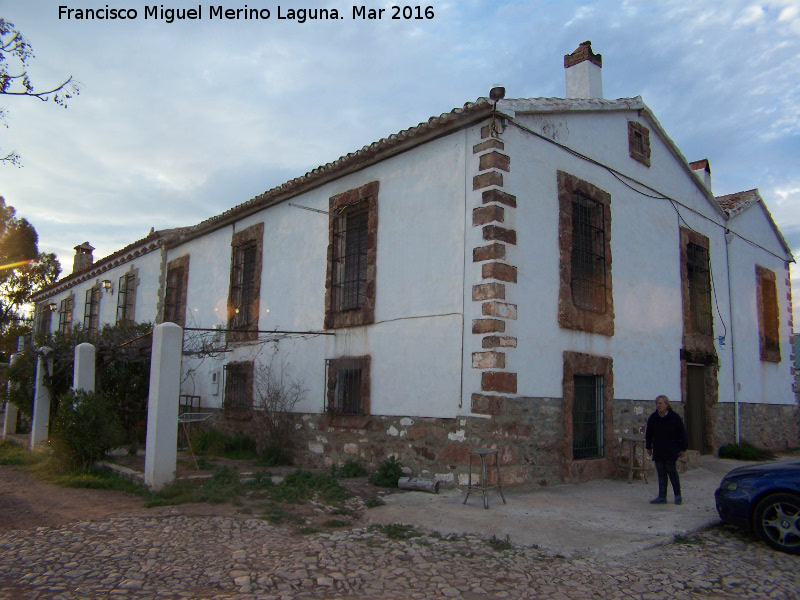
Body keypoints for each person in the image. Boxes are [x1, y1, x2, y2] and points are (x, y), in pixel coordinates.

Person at [645, 394, 687, 505]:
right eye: (657, 403)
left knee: (672, 472)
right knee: (661, 474)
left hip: (671, 450)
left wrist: (683, 448)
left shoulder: (674, 417)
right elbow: (649, 433)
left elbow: (682, 433)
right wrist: (648, 446)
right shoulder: (654, 418)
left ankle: (678, 496)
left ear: (666, 404)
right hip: (659, 451)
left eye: (660, 403)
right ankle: (662, 496)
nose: (658, 405)